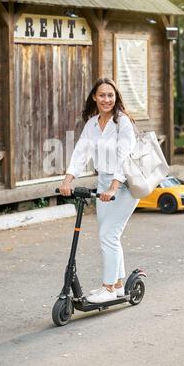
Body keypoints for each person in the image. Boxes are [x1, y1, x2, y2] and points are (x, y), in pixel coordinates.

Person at [59, 77, 139, 303]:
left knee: (108, 235)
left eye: (110, 95)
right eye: (102, 95)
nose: (106, 99)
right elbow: (80, 154)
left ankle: (109, 288)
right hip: (104, 183)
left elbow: (124, 157)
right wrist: (68, 181)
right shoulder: (92, 124)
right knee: (110, 236)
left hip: (124, 185)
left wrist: (114, 187)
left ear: (116, 98)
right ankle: (119, 286)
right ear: (94, 97)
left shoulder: (123, 123)